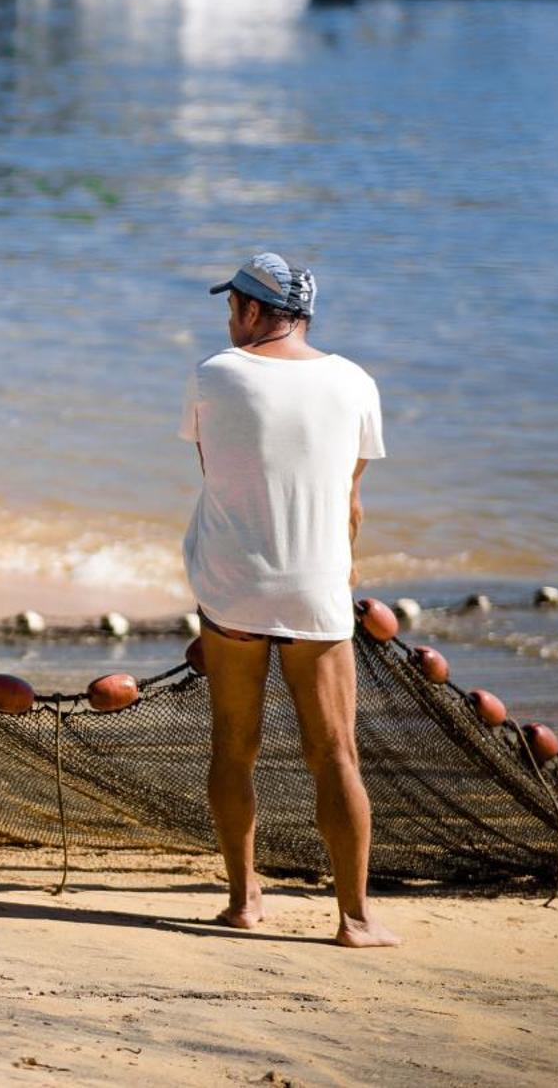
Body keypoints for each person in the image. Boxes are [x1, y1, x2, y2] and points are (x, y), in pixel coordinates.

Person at [179, 252, 399, 948]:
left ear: (250, 309)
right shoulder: (355, 381)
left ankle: (245, 901)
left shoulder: (215, 375)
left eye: (232, 305)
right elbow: (351, 502)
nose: (227, 317)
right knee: (335, 753)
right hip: (317, 590)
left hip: (231, 588)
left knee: (233, 748)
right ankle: (356, 918)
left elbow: (219, 473)